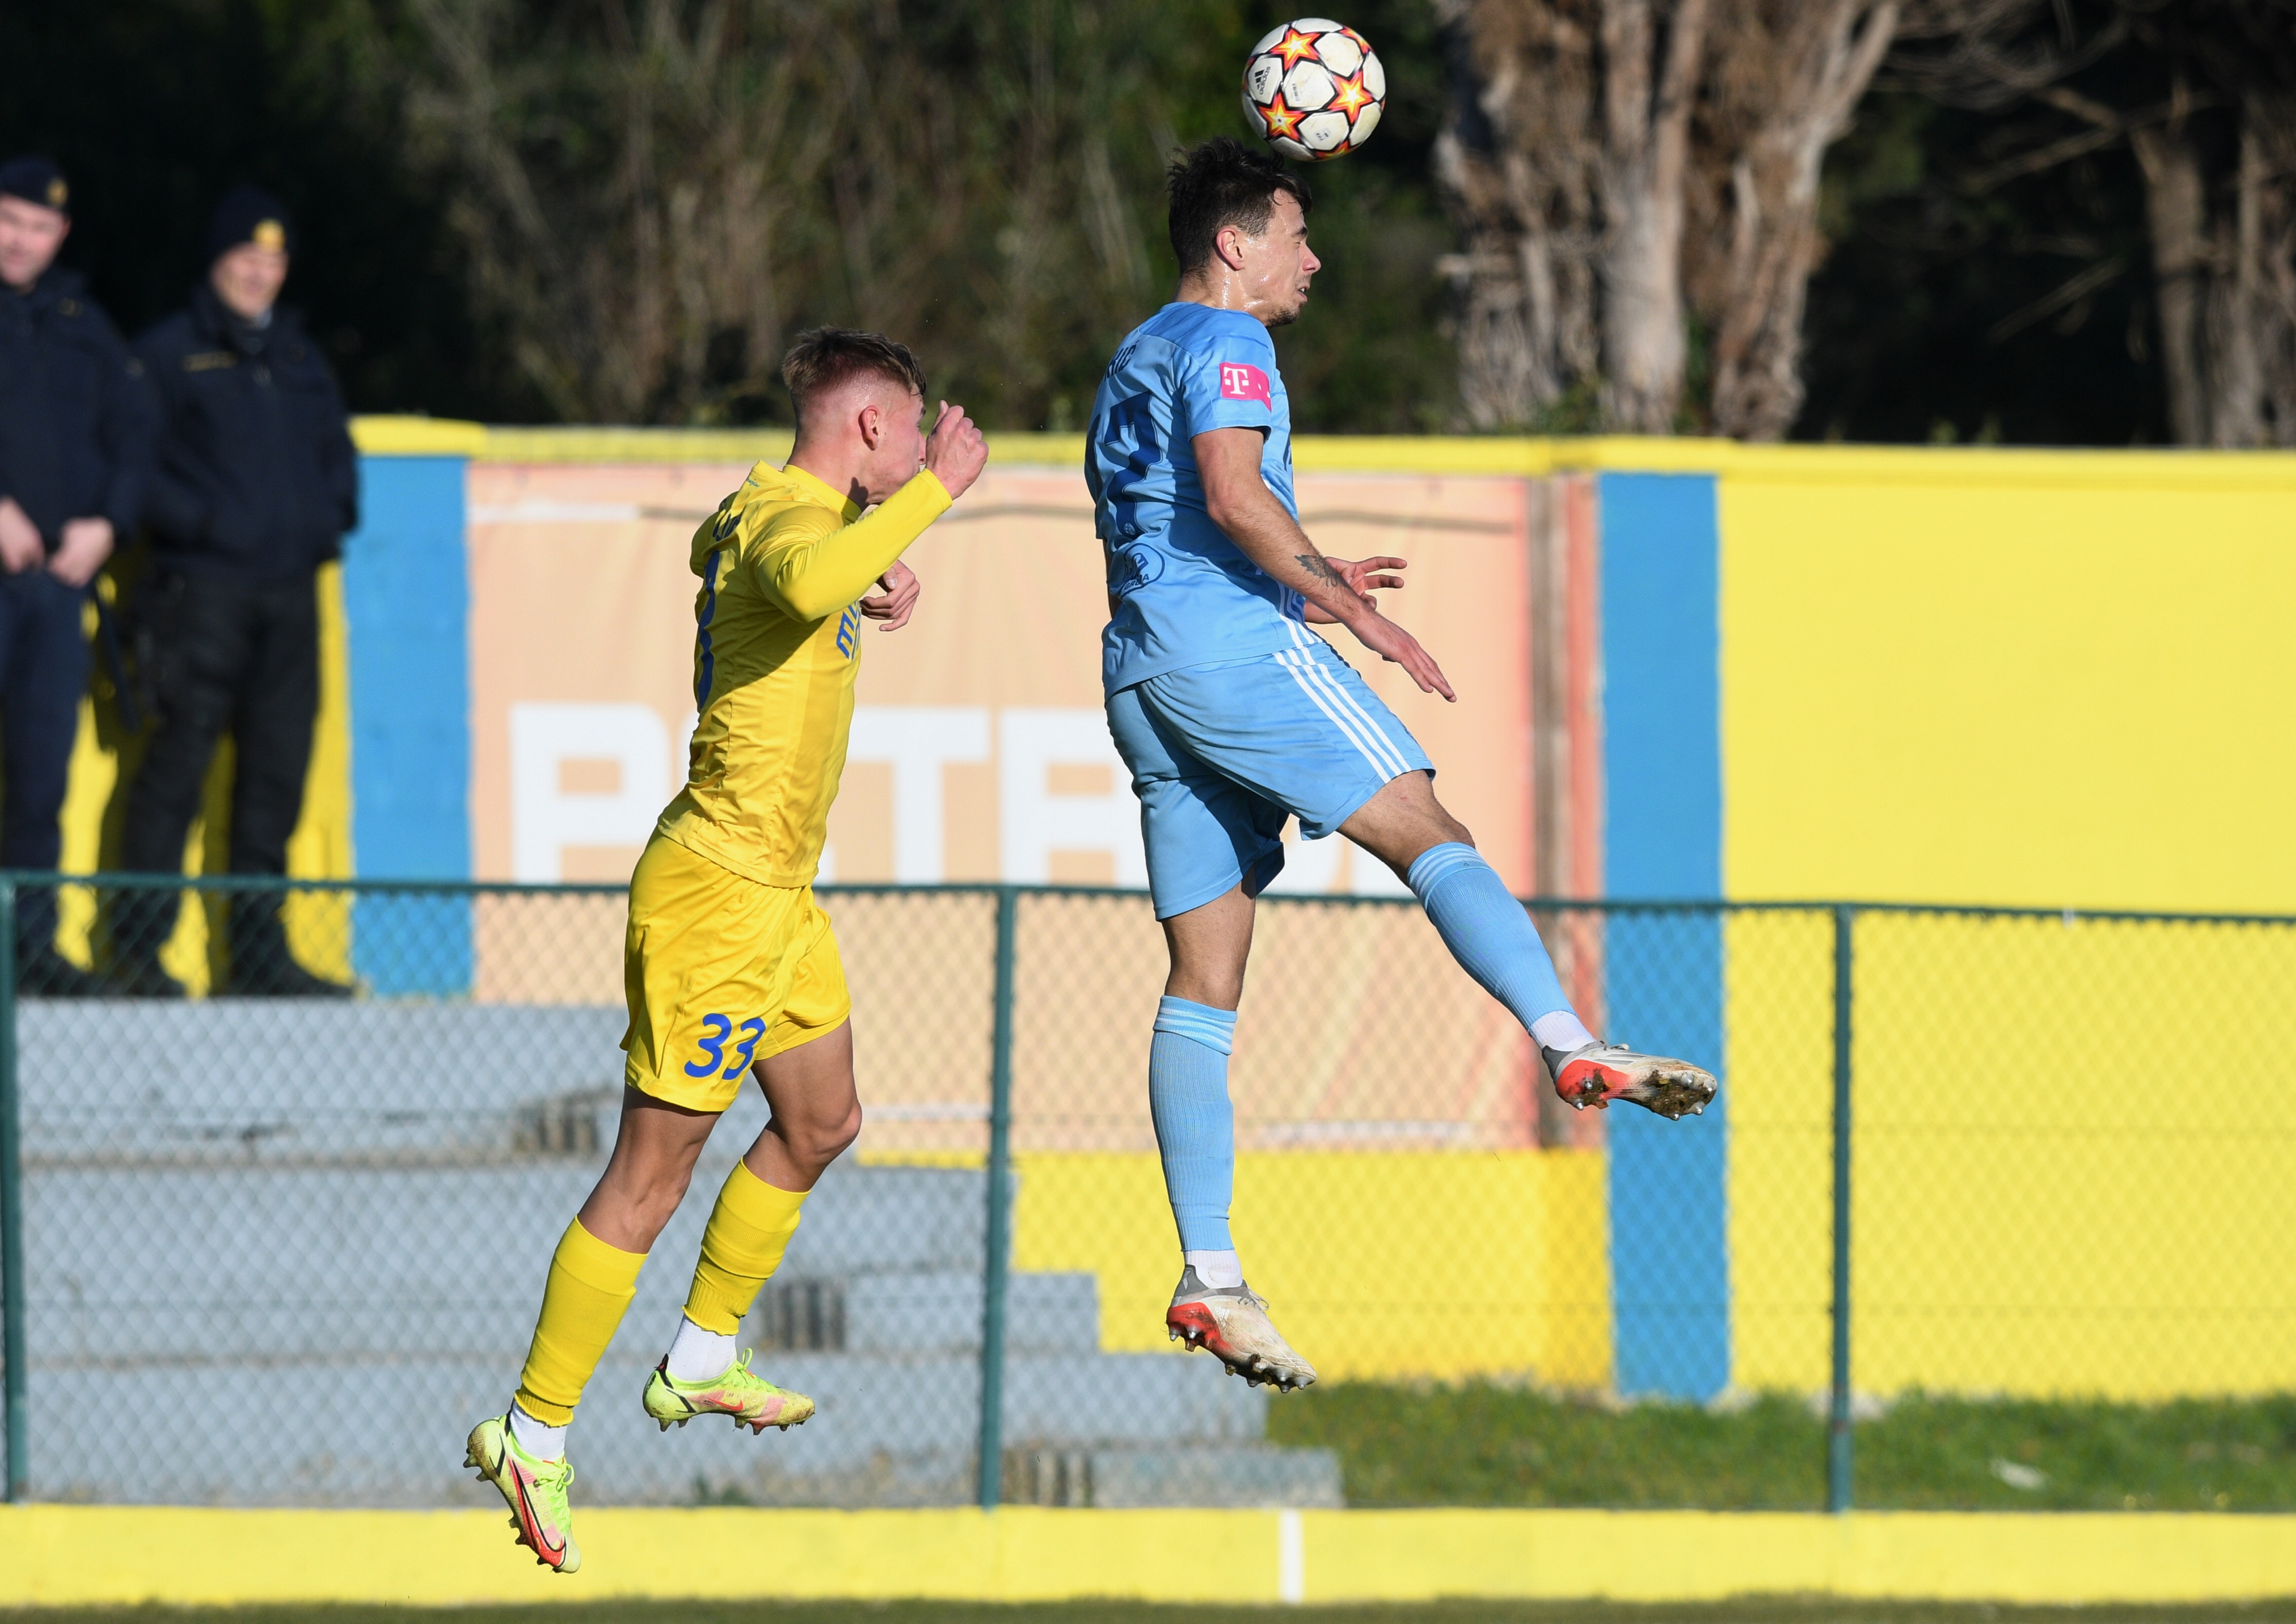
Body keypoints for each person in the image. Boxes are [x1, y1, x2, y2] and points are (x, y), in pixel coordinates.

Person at [1087, 138, 1717, 1393]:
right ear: (1234, 245)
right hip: (1235, 656)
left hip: (1143, 674)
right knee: (1433, 835)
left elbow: (1182, 505)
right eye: (1295, 235)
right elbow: (1230, 490)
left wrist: (1310, 571)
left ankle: (1209, 1272)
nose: (1312, 260)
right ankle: (1568, 1042)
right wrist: (1345, 608)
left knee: (1202, 980)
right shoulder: (1231, 339)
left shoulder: (1137, 347)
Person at [463, 328, 987, 1575]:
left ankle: (701, 1351)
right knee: (651, 1173)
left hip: (780, 899)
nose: (925, 444)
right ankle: (531, 1428)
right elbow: (793, 575)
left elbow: (805, 572)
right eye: (914, 426)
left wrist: (882, 557)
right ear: (871, 427)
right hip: (714, 897)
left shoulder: (805, 520)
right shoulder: (783, 521)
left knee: (823, 1119)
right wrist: (929, 498)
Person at [114, 187, 359, 997]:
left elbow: (336, 458)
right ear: (217, 260)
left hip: (290, 595)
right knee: (175, 771)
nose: (260, 273)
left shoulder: (298, 357)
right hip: (199, 594)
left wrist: (325, 520)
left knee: (275, 777)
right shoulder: (167, 353)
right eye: (246, 257)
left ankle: (258, 959)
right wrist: (206, 525)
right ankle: (139, 952)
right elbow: (135, 469)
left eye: (274, 260)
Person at [0, 156, 154, 996]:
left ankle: (29, 950)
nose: (20, 240)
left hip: (56, 589)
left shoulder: (83, 324)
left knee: (39, 780)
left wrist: (107, 524)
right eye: (8, 220)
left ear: (60, 235)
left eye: (38, 226)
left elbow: (136, 437)